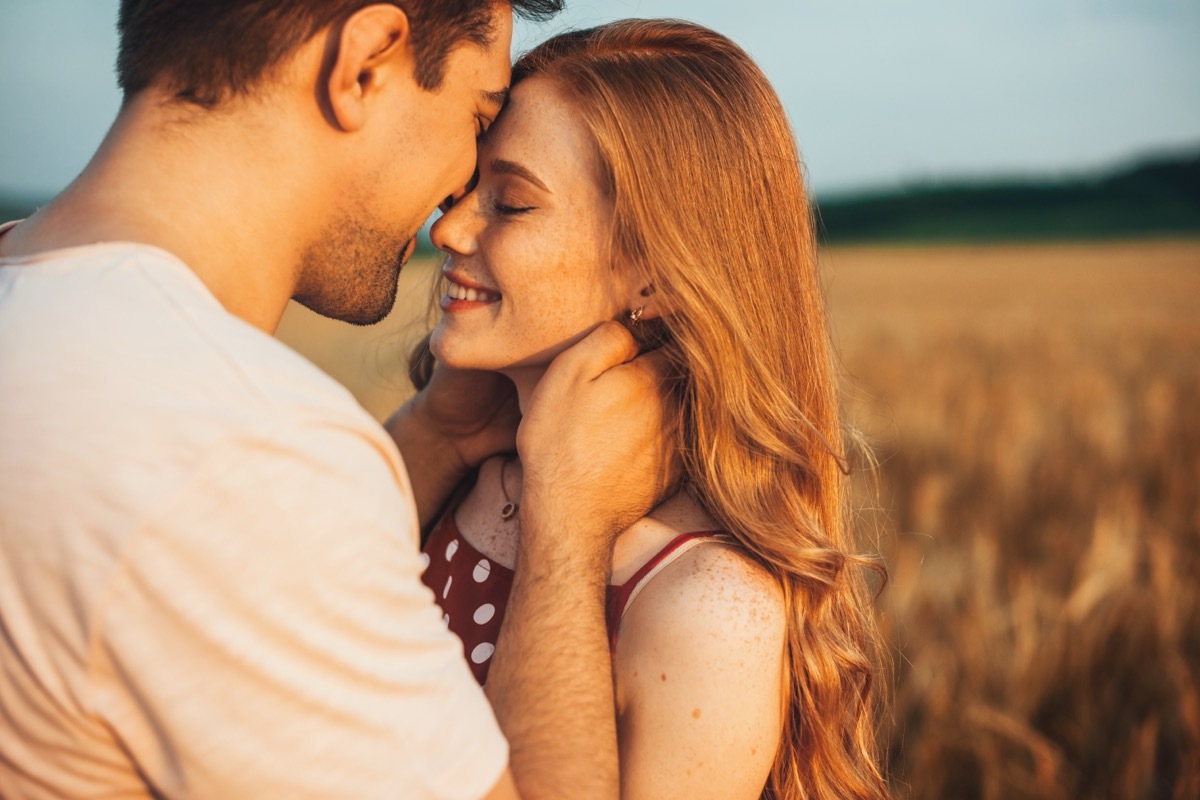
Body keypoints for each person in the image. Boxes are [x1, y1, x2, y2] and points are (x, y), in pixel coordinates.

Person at [0, 2, 671, 798]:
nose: (456, 196)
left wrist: (437, 433)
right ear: (364, 63)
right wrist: (567, 532)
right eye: (476, 115)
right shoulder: (240, 451)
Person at [412, 19, 889, 800]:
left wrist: (565, 522)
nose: (449, 228)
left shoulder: (706, 606)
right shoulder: (456, 469)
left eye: (512, 203)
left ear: (656, 274)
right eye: (465, 190)